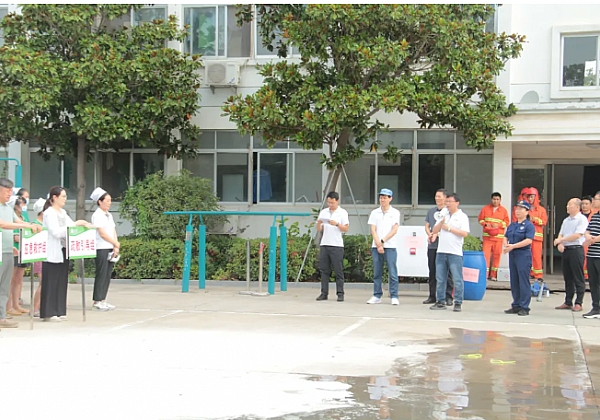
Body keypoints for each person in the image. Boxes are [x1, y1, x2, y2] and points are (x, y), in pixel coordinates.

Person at [41, 186, 93, 322]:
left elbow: (71, 226)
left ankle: (59, 310)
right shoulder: (49, 213)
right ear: (54, 197)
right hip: (52, 250)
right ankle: (49, 312)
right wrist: (75, 224)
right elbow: (56, 232)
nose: (65, 199)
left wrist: (81, 225)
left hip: (64, 249)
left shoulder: (63, 212)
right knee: (51, 281)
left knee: (61, 280)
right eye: (63, 196)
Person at [0, 178, 42, 329]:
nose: (9, 194)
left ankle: (2, 316)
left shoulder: (8, 208)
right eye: (7, 191)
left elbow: (17, 221)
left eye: (10, 191)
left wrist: (30, 225)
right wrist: (27, 226)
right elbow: (3, 224)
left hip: (8, 250)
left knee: (4, 285)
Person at [430, 193, 470, 312]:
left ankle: (458, 302)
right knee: (440, 278)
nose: (447, 204)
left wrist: (449, 228)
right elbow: (434, 230)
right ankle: (440, 301)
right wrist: (441, 222)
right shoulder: (444, 214)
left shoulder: (462, 216)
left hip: (455, 252)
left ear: (457, 203)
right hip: (441, 251)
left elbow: (464, 233)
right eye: (446, 202)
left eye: (450, 202)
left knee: (457, 279)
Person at [366, 188, 401, 305]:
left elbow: (394, 230)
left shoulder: (395, 213)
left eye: (385, 198)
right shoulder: (374, 212)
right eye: (381, 197)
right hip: (376, 246)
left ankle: (394, 295)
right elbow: (373, 229)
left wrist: (382, 241)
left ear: (390, 199)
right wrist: (378, 243)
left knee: (392, 272)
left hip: (390, 246)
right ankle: (377, 295)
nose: (382, 200)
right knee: (377, 272)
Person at [554, 198, 588, 312]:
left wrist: (561, 240)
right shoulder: (566, 220)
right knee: (568, 277)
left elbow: (577, 235)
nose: (567, 207)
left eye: (570, 205)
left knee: (578, 277)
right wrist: (560, 243)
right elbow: (561, 233)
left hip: (576, 249)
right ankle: (568, 301)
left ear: (577, 207)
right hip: (566, 250)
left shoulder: (582, 219)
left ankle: (579, 302)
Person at [315, 191, 349, 302]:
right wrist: (319, 223)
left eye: (332, 203)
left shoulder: (342, 213)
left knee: (338, 270)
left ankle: (340, 293)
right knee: (324, 270)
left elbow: (346, 229)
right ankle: (324, 293)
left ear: (337, 201)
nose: (330, 205)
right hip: (325, 243)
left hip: (337, 245)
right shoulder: (324, 212)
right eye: (329, 202)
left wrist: (337, 224)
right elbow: (319, 229)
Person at [503, 200, 535, 316]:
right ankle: (516, 304)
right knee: (514, 281)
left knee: (523, 281)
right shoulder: (512, 225)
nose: (518, 211)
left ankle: (524, 306)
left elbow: (528, 240)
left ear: (527, 211)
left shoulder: (529, 226)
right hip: (513, 255)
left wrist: (513, 246)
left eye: (521, 209)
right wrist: (506, 245)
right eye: (517, 209)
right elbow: (505, 236)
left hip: (523, 254)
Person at [91, 187, 120, 310]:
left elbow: (113, 230)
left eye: (110, 200)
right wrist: (115, 243)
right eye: (107, 200)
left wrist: (115, 245)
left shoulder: (109, 215)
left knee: (107, 275)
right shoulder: (97, 215)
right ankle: (97, 301)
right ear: (100, 201)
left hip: (110, 247)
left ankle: (103, 299)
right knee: (101, 274)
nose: (109, 203)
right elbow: (102, 233)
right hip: (101, 247)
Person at [424, 189, 454, 305]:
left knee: (447, 272)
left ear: (445, 198)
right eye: (436, 196)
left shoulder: (448, 212)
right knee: (432, 271)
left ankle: (448, 296)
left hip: (445, 246)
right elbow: (427, 225)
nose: (437, 198)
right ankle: (432, 295)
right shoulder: (431, 211)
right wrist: (430, 234)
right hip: (433, 245)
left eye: (440, 196)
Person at [6, 196, 30, 316]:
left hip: (23, 250)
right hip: (14, 250)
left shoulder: (24, 217)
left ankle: (16, 304)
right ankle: (8, 306)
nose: (23, 206)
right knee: (10, 279)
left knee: (18, 279)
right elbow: (15, 236)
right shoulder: (10, 217)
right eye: (21, 204)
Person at [478, 192, 509, 281]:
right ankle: (485, 275)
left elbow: (507, 222)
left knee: (497, 256)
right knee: (485, 257)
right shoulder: (485, 209)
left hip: (498, 238)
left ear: (500, 200)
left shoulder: (503, 210)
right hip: (487, 238)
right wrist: (485, 224)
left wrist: (498, 225)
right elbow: (480, 220)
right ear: (491, 199)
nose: (495, 201)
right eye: (494, 199)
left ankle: (493, 275)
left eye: (497, 199)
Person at [583, 191, 600, 319]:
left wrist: (594, 239)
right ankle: (596, 308)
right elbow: (587, 230)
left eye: (595, 199)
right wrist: (588, 236)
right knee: (593, 283)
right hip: (592, 254)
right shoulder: (594, 216)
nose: (593, 201)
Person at [526, 188, 548, 281]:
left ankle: (538, 275)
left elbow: (544, 222)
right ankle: (530, 273)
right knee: (527, 256)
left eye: (532, 197)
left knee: (536, 257)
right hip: (527, 237)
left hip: (537, 237)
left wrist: (534, 219)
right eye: (529, 197)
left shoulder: (541, 210)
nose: (530, 199)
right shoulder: (525, 209)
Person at [31, 198, 45, 317]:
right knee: (42, 282)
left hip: (46, 255)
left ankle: (40, 307)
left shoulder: (44, 224)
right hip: (39, 256)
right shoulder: (35, 224)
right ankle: (35, 308)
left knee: (44, 283)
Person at [581, 195, 596, 281]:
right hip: (580, 240)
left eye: (586, 204)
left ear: (591, 204)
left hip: (591, 240)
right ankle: (583, 275)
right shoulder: (578, 215)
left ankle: (587, 275)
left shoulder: (594, 215)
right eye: (583, 204)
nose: (584, 206)